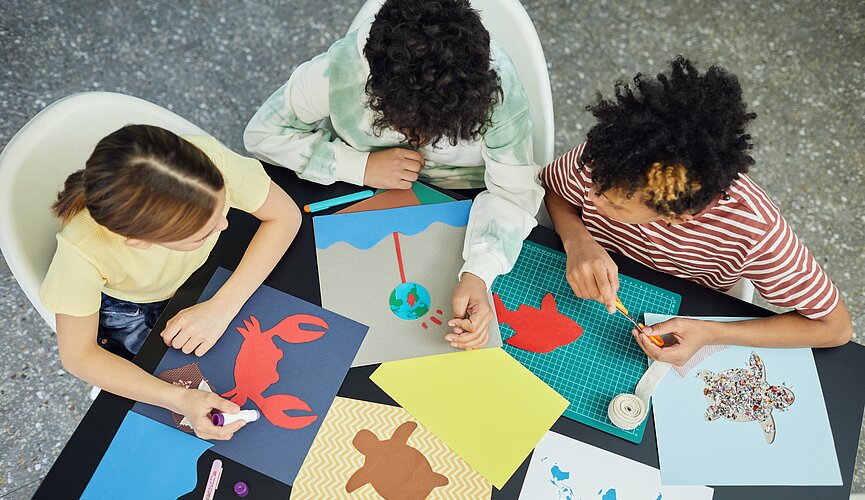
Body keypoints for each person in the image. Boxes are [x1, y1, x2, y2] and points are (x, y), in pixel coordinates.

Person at [243, 0, 543, 350]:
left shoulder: (499, 90)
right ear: (375, 87)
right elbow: (263, 134)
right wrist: (360, 166)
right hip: (357, 188)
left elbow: (514, 192)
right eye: (408, 126)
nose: (420, 141)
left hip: (469, 201)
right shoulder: (340, 71)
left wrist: (479, 272)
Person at [542, 57, 852, 365]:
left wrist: (709, 333)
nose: (592, 197)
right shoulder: (608, 159)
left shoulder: (753, 229)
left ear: (677, 216)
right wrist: (577, 240)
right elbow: (556, 190)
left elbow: (835, 328)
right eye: (596, 184)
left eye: (616, 205)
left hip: (685, 304)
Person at [41, 124, 301, 439]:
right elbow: (79, 355)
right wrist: (177, 398)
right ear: (138, 241)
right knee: (165, 374)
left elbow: (286, 216)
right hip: (129, 306)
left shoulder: (206, 162)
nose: (224, 224)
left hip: (195, 277)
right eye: (202, 232)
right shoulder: (80, 251)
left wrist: (222, 306)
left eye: (221, 206)